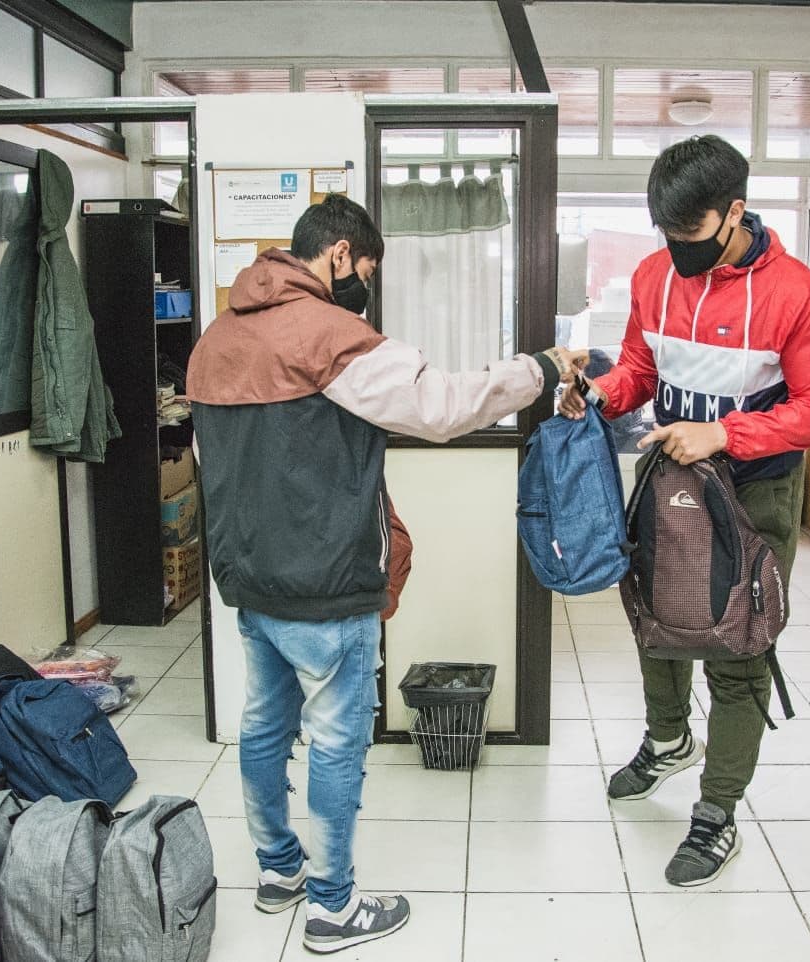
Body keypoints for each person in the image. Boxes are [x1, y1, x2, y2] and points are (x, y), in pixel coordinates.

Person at [187, 193, 585, 953]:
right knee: (337, 740)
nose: (362, 286)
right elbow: (440, 407)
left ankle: (278, 871)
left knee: (264, 724)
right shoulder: (329, 334)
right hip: (327, 581)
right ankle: (333, 907)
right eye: (365, 271)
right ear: (340, 254)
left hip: (248, 577)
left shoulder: (215, 339)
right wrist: (536, 369)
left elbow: (214, 462)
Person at [561, 134, 810, 886]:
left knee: (736, 645)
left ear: (735, 211)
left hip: (755, 491)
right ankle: (668, 741)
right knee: (657, 619)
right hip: (670, 478)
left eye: (691, 232)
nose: (677, 247)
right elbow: (639, 370)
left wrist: (725, 433)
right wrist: (596, 392)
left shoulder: (799, 295)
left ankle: (718, 811)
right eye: (667, 232)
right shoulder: (655, 275)